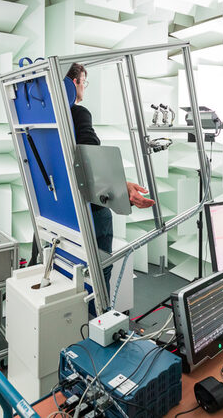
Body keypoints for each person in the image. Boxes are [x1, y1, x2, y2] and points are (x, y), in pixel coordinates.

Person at [66, 62, 155, 298]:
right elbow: (91, 157)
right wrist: (123, 188)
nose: (84, 86)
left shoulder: (44, 123)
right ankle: (99, 319)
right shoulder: (78, 112)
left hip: (61, 212)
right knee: (100, 269)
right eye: (83, 81)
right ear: (74, 82)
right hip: (90, 211)